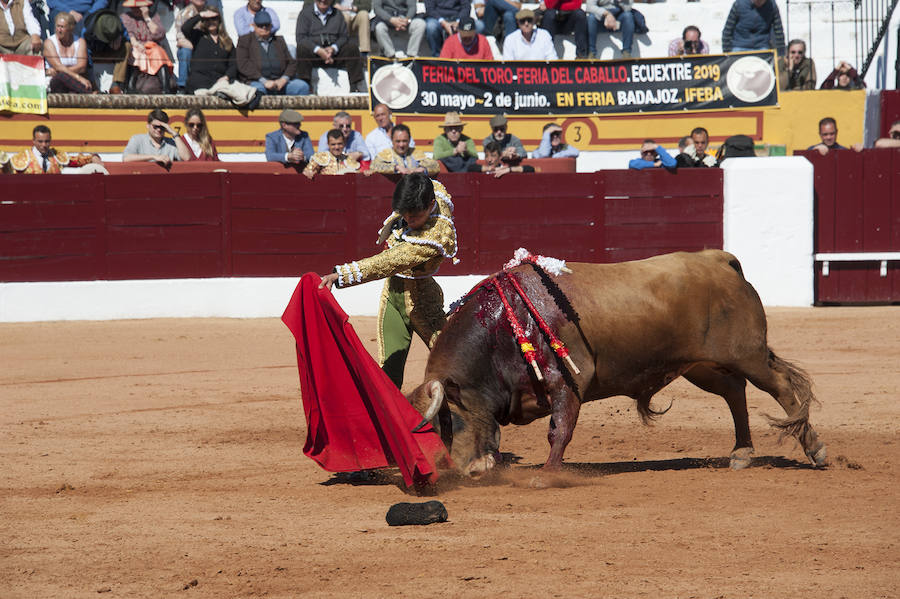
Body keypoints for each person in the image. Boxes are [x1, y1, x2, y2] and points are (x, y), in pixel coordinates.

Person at [318, 173, 457, 388]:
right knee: (388, 373)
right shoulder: (431, 191)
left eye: (415, 215)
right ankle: (389, 421)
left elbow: (389, 261)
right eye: (404, 213)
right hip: (392, 297)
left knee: (455, 365)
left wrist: (342, 274)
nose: (408, 219)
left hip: (424, 304)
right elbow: (430, 181)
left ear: (431, 206)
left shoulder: (435, 236)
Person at [295, 0, 367, 93]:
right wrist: (318, 50)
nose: (323, 1)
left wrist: (334, 48)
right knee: (302, 49)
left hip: (334, 55)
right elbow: (301, 37)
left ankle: (355, 87)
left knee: (352, 48)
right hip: (314, 55)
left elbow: (344, 36)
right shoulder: (305, 14)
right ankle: (306, 86)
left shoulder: (338, 14)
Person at [236, 10, 310, 97]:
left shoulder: (279, 41)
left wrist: (284, 79)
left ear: (271, 26)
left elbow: (291, 63)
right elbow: (243, 64)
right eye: (260, 25)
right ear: (254, 26)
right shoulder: (245, 41)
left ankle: (293, 110)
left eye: (267, 25)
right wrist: (263, 81)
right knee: (257, 91)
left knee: (302, 87)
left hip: (280, 82)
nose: (264, 28)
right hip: (256, 81)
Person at [120, 0, 174, 94]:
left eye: (139, 7)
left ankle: (166, 87)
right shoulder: (126, 17)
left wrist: (147, 17)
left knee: (159, 52)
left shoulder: (153, 16)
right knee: (136, 54)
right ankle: (130, 86)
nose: (136, 9)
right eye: (134, 7)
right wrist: (136, 43)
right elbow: (128, 32)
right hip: (135, 45)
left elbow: (159, 34)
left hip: (151, 46)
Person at [181, 7, 236, 95]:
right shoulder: (198, 35)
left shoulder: (227, 40)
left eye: (214, 19)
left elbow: (233, 63)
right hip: (199, 80)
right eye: (207, 19)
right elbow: (185, 28)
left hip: (219, 81)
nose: (211, 22)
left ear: (219, 20)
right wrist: (201, 15)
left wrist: (227, 77)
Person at [8, 125, 100, 174]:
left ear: (51, 140)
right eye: (40, 141)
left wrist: (93, 157)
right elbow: (7, 171)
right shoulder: (22, 158)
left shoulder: (57, 156)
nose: (44, 145)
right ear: (34, 141)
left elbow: (76, 161)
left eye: (47, 141)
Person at [175, 0, 222, 93]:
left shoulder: (212, 11)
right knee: (185, 51)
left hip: (207, 46)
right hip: (191, 47)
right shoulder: (183, 14)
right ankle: (182, 87)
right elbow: (181, 39)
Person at [43, 11, 92, 93]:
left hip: (73, 81)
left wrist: (61, 71)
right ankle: (88, 94)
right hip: (55, 81)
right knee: (61, 77)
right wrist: (78, 76)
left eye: (62, 27)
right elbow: (58, 66)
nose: (59, 30)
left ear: (70, 28)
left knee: (63, 75)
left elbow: (82, 67)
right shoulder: (49, 42)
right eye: (57, 26)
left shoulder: (80, 42)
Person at [123, 109, 191, 165]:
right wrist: (154, 157)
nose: (159, 129)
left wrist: (174, 134)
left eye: (162, 127)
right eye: (155, 126)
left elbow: (186, 158)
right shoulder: (137, 139)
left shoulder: (172, 142)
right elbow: (126, 158)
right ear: (148, 126)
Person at [370, 124, 438, 175]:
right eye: (398, 141)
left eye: (404, 141)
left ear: (409, 140)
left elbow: (435, 165)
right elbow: (374, 165)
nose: (401, 145)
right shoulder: (385, 154)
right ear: (392, 140)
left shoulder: (416, 153)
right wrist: (396, 167)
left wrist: (422, 169)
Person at [468, 140, 534, 177]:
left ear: (500, 157)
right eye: (487, 156)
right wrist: (491, 168)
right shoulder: (482, 169)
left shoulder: (505, 169)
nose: (489, 159)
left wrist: (509, 170)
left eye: (493, 156)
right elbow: (470, 168)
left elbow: (530, 169)